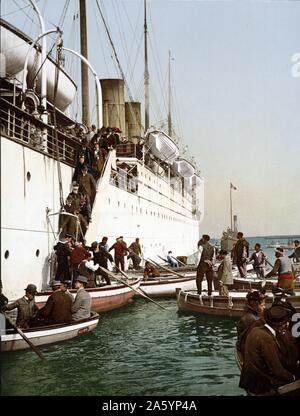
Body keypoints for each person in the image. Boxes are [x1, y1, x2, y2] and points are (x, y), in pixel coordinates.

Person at [239, 305, 296, 395]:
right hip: (261, 384)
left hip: (250, 379)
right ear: (281, 324)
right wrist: (293, 377)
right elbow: (276, 370)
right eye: (286, 322)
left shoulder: (256, 330)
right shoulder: (267, 339)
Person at [236, 290, 266, 357]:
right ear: (254, 304)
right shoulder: (253, 320)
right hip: (250, 353)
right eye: (262, 305)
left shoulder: (249, 315)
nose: (264, 307)